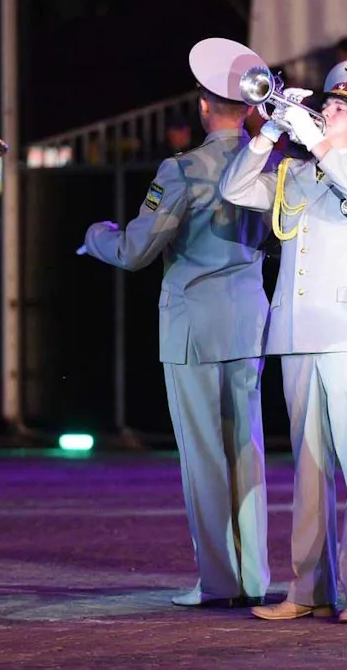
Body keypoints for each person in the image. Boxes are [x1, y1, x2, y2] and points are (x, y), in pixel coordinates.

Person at [80, 39, 271, 608]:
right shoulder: (273, 163)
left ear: (205, 107)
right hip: (249, 320)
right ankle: (255, 577)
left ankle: (217, 580)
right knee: (248, 448)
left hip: (192, 324)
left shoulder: (182, 168)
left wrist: (97, 237)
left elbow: (138, 250)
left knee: (204, 453)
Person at [220, 57, 347, 624]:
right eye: (327, 105)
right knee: (309, 467)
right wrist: (268, 130)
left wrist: (321, 144)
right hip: (294, 334)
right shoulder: (296, 173)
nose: (326, 112)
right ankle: (307, 588)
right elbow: (237, 188)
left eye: (340, 110)